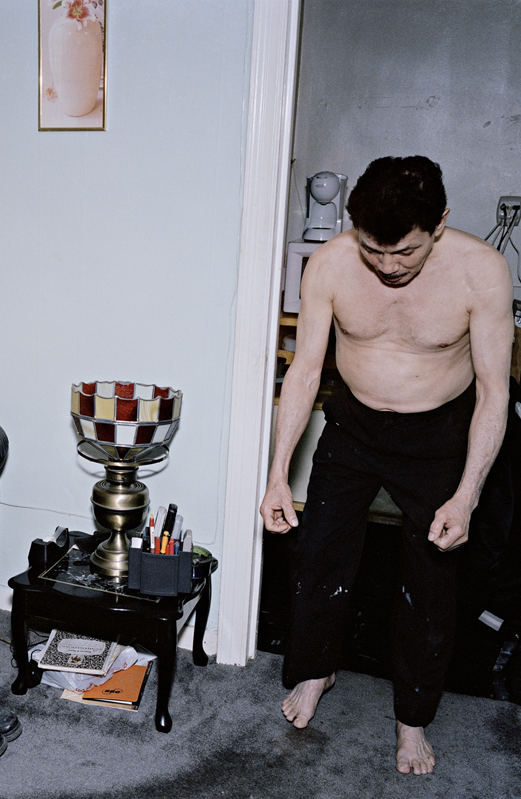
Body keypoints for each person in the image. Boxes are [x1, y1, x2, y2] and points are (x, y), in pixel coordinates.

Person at [259, 155, 514, 775]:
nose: (388, 266)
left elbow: (494, 391)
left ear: (441, 223)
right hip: (354, 425)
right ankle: (315, 670)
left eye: (405, 252)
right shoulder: (331, 264)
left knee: (430, 578)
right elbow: (305, 370)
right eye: (374, 250)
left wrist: (467, 495)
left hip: (437, 432)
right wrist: (277, 474)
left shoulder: (481, 271)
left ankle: (412, 717)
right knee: (319, 553)